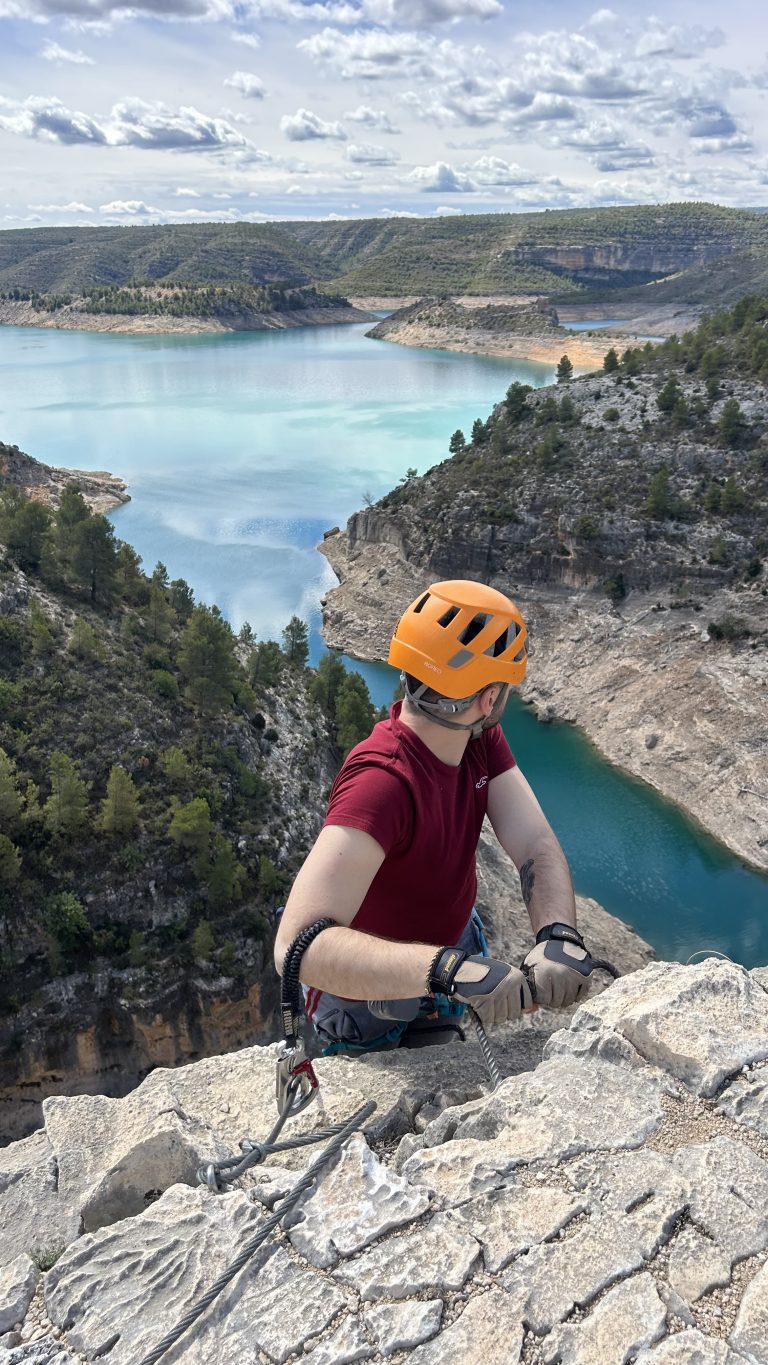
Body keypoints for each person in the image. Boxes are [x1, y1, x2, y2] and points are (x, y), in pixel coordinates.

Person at [274, 578, 592, 1054]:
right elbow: (295, 947)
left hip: (450, 957)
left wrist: (557, 931)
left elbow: (534, 845)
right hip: (369, 1000)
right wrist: (447, 970)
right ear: (487, 700)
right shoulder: (382, 782)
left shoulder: (478, 740)